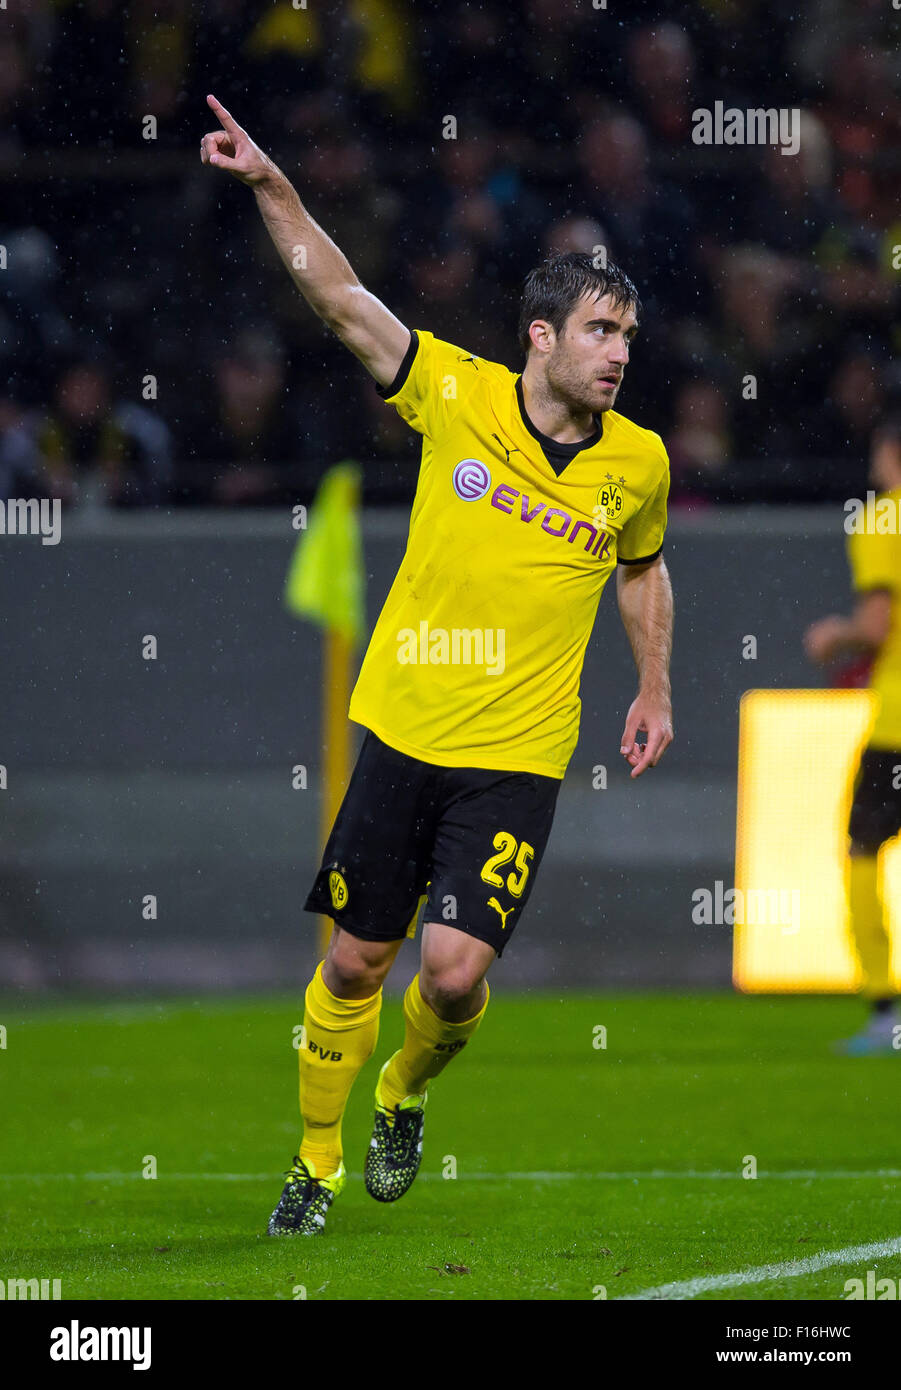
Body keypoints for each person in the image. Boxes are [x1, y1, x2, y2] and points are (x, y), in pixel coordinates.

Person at [200, 94, 675, 1234]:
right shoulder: (453, 395)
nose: (618, 354)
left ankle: (402, 1092)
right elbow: (339, 296)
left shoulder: (639, 463)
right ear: (543, 337)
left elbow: (644, 570)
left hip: (517, 755)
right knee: (358, 964)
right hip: (406, 729)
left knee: (453, 974)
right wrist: (273, 187)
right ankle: (314, 1161)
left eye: (628, 337)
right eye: (600, 333)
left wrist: (655, 684)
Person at [804, 417, 901, 1054]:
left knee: (862, 848)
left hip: (898, 726)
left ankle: (884, 1009)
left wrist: (833, 636)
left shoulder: (884, 520)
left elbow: (877, 621)